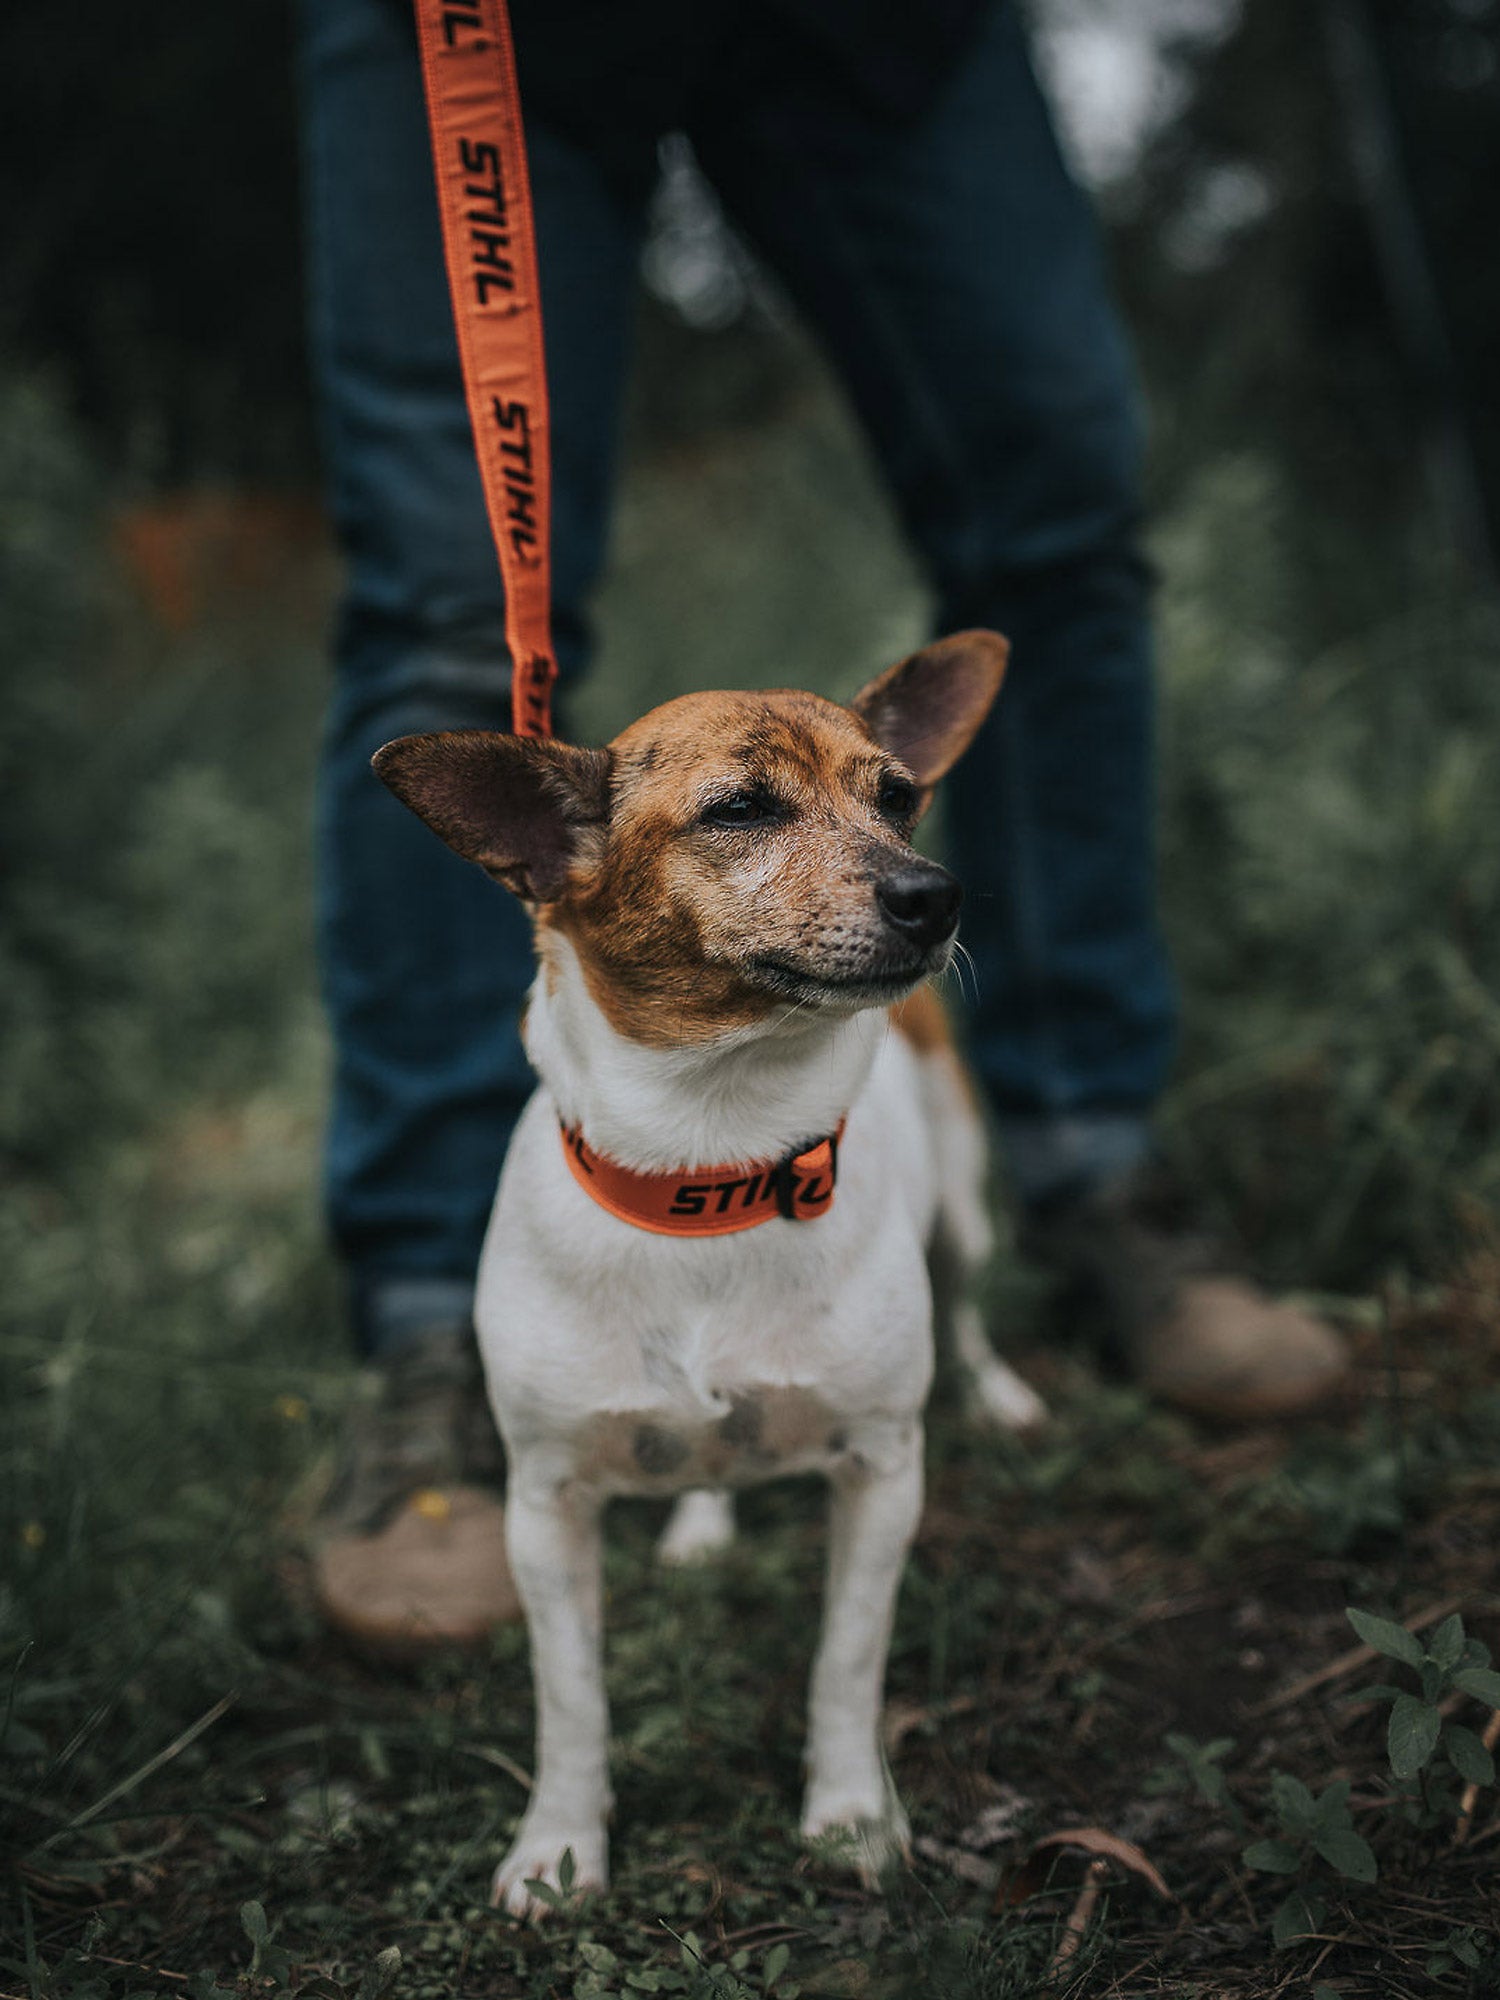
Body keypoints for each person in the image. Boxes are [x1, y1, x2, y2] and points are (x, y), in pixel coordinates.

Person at [297, 0, 1347, 1651]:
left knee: (1055, 522)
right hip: (486, 39)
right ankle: (448, 1325)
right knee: (447, 614)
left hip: (888, 30)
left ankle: (1090, 1171)